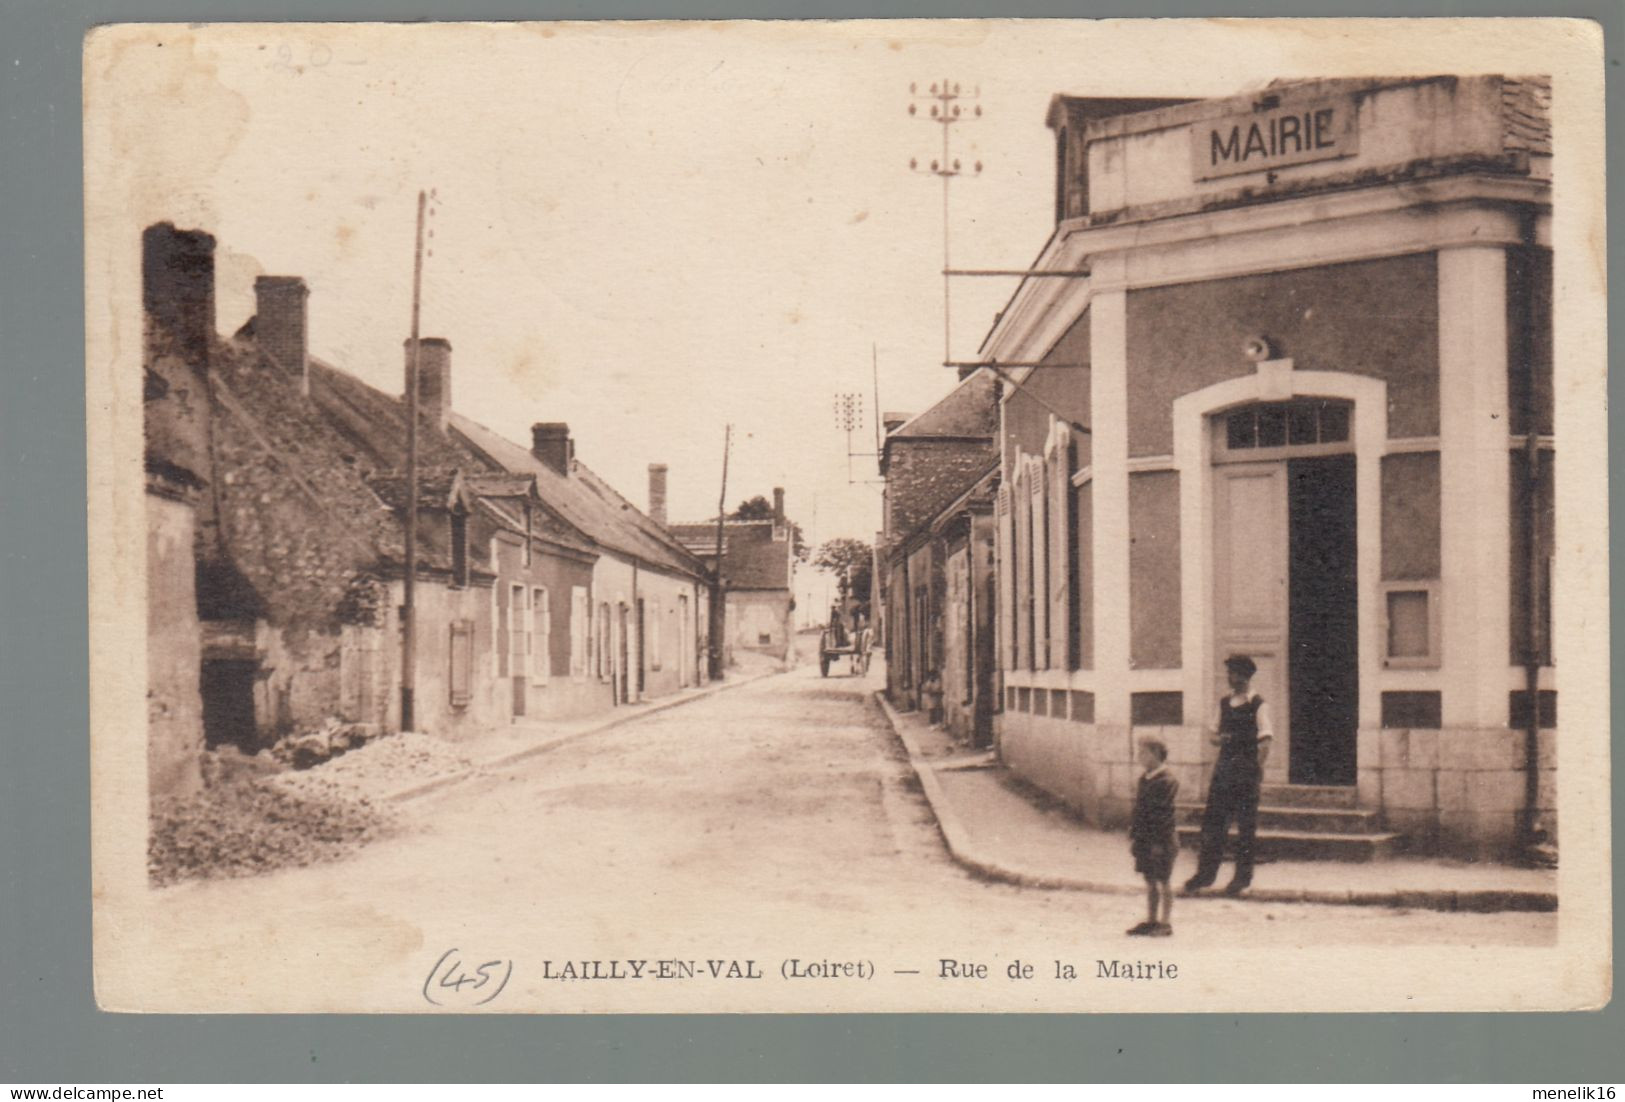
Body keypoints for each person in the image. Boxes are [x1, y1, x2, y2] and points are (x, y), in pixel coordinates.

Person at [1183, 654, 1274, 897]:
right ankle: (1205, 875)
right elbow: (1212, 734)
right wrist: (1219, 739)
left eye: (1232, 673)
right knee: (1213, 824)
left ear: (1243, 676)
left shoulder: (1258, 704)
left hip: (1245, 772)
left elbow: (1265, 740)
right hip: (1224, 770)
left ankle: (1242, 879)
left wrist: (1257, 769)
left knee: (1245, 827)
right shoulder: (1223, 704)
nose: (1229, 677)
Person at [1127, 737, 1179, 937]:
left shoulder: (1167, 781)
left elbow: (1163, 816)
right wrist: (1134, 832)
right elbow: (1140, 809)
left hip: (1162, 839)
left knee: (1163, 880)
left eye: (1143, 753)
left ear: (1156, 754)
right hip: (1145, 838)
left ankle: (1165, 924)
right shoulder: (1144, 778)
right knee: (1150, 879)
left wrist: (1158, 843)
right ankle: (1151, 920)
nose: (1139, 757)